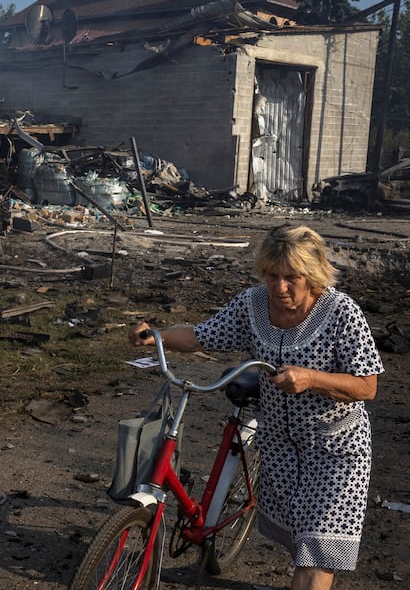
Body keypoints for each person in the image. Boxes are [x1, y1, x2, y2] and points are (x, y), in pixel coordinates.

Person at [129, 224, 383, 590]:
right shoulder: (251, 305)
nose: (279, 288)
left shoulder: (341, 312)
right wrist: (159, 336)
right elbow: (203, 335)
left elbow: (367, 386)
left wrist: (312, 379)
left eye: (291, 277)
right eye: (272, 276)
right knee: (299, 542)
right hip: (278, 443)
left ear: (312, 275)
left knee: (316, 551)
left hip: (335, 448)